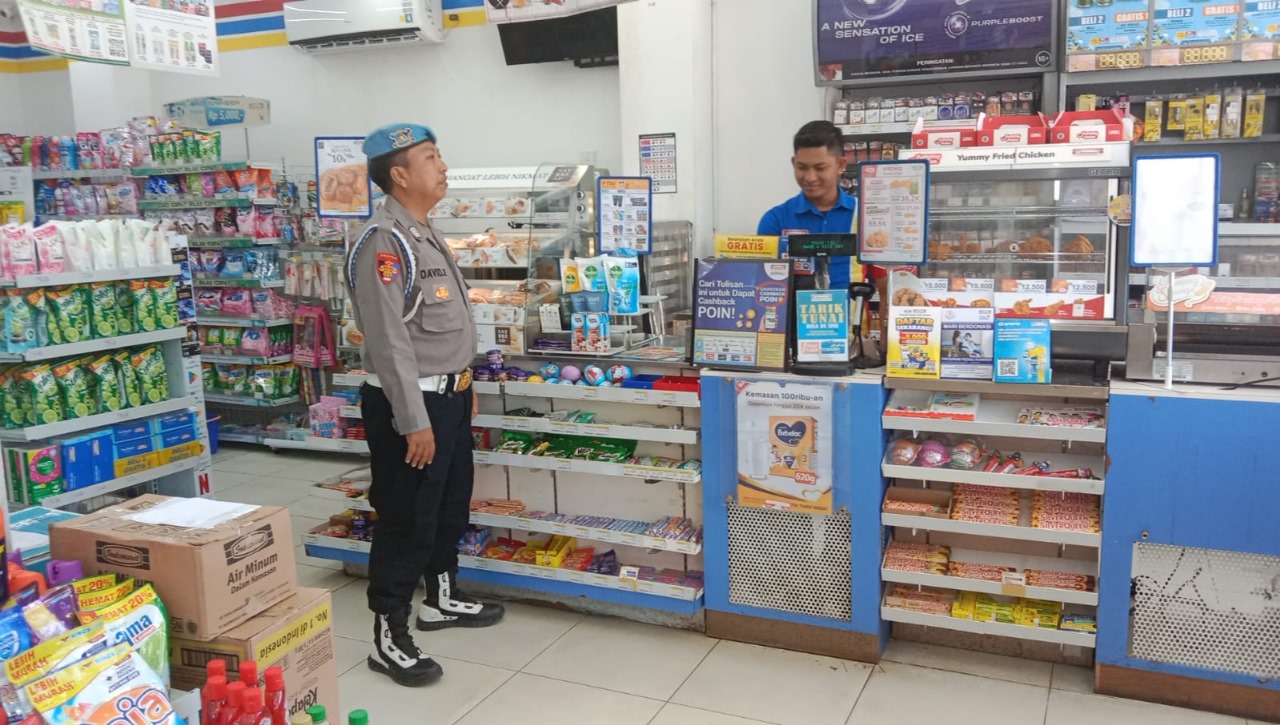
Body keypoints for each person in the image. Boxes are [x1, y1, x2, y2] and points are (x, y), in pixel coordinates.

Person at [345, 122, 504, 688]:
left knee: (449, 505)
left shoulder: (424, 233)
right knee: (406, 518)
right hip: (410, 407)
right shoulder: (382, 242)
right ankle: (389, 635)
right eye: (431, 157)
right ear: (400, 174)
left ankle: (440, 599)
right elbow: (388, 340)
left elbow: (440, 328)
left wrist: (464, 383)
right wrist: (413, 419)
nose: (443, 166)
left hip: (449, 398)